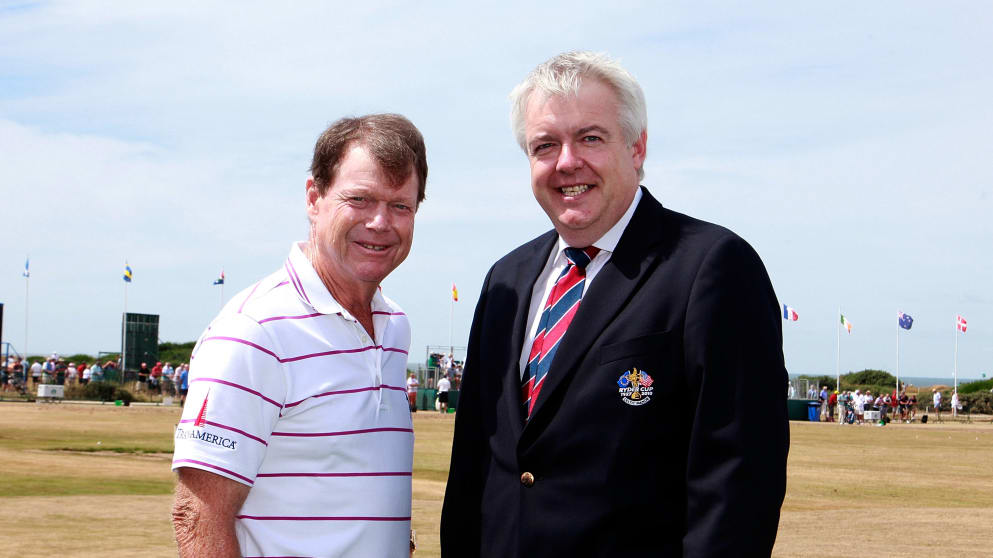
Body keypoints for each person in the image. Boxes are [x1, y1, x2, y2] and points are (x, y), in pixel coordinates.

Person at [441, 51, 789, 557]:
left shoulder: (711, 267)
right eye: (545, 145)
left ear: (637, 147)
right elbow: (474, 461)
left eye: (590, 138)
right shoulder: (507, 280)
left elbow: (737, 481)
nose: (567, 162)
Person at [171, 113, 427, 558]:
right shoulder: (253, 332)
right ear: (314, 197)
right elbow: (198, 516)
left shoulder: (395, 325)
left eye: (401, 206)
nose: (381, 222)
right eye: (360, 199)